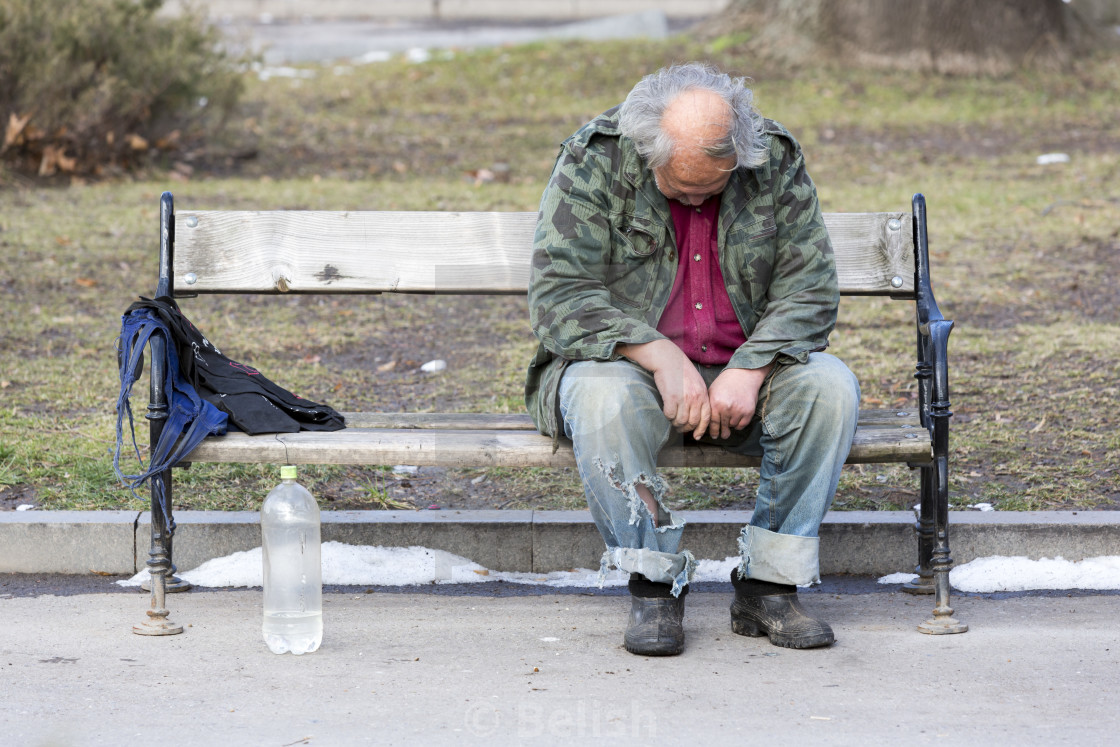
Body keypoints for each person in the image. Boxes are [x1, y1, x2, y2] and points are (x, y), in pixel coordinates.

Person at [525, 62, 860, 656]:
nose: (701, 197)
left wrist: (752, 367)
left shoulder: (771, 157)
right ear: (646, 151)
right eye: (682, 189)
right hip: (627, 371)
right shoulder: (595, 159)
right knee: (601, 396)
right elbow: (560, 297)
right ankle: (654, 587)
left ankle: (769, 587)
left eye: (716, 185)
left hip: (748, 374)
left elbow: (809, 288)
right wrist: (657, 355)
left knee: (829, 387)